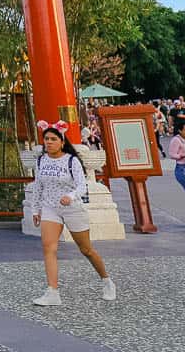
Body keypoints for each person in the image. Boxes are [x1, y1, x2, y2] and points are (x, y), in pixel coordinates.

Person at [29, 122, 115, 305]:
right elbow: (38, 186)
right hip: (50, 208)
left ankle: (106, 281)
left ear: (62, 142)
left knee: (86, 250)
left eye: (53, 139)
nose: (49, 143)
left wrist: (71, 195)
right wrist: (35, 209)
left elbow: (82, 186)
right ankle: (52, 292)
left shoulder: (71, 160)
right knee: (48, 248)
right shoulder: (41, 161)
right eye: (46, 139)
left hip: (72, 208)